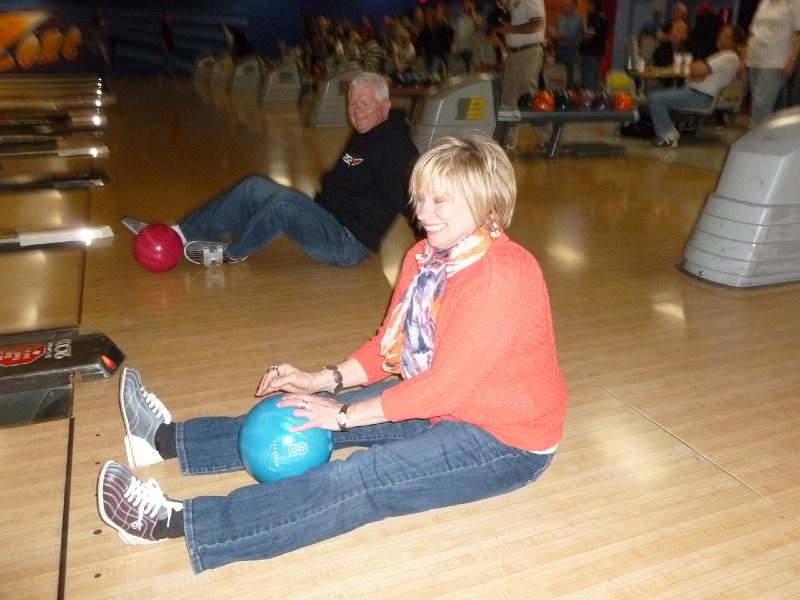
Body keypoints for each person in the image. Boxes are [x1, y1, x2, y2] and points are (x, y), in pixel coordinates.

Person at [97, 132, 567, 574]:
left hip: (505, 439)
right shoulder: (425, 258)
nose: (423, 212)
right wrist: (321, 382)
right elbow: (388, 349)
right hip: (445, 404)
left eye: (439, 200)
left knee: (362, 478)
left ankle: (171, 522)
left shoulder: (501, 276)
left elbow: (442, 388)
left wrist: (343, 416)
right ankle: (160, 440)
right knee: (302, 412)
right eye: (420, 197)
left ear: (486, 203)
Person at [121, 72, 419, 267]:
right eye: (353, 103)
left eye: (365, 103)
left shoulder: (395, 149)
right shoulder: (366, 132)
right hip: (328, 219)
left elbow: (416, 201)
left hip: (347, 243)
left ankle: (232, 253)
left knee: (283, 206)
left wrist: (442, 252)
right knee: (254, 185)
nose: (357, 110)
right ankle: (181, 233)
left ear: (386, 105)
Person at [647, 24, 745, 148]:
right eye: (721, 33)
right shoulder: (722, 56)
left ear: (733, 41)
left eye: (725, 35)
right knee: (655, 90)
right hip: (694, 93)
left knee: (655, 98)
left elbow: (698, 70)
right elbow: (695, 71)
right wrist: (696, 71)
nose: (720, 36)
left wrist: (696, 71)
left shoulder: (728, 57)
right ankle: (669, 131)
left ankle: (668, 136)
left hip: (700, 96)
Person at [496, 0, 547, 147]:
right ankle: (508, 139)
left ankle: (546, 138)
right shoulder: (513, 2)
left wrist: (512, 29)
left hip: (528, 52)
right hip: (515, 54)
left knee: (528, 96)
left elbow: (538, 23)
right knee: (508, 98)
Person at [744, 0, 800, 126]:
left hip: (774, 61)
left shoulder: (794, 2)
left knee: (762, 105)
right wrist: (746, 56)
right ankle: (758, 136)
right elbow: (753, 31)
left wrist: (792, 60)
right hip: (755, 58)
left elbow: (799, 35)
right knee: (756, 103)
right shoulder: (764, 2)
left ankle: (755, 140)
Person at [548, 0, 583, 89]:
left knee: (568, 76)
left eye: (567, 5)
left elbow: (566, 35)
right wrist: (555, 34)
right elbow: (551, 27)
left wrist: (556, 34)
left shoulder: (576, 18)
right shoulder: (561, 18)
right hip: (559, 49)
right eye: (564, 4)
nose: (564, 6)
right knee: (559, 76)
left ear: (574, 5)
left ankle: (570, 96)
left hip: (569, 51)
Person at [579, 0, 608, 91]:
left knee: (588, 76)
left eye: (589, 4)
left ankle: (589, 96)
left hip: (590, 50)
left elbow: (590, 33)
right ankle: (595, 96)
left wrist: (581, 42)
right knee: (596, 75)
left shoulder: (592, 17)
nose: (588, 7)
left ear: (593, 5)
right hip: (599, 50)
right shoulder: (604, 17)